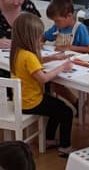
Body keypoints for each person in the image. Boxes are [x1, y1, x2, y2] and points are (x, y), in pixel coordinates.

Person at [10, 12, 74, 157]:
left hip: (22, 100)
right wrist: (62, 67)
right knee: (66, 111)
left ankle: (49, 139)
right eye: (39, 38)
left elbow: (33, 64)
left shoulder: (18, 52)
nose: (42, 41)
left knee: (59, 108)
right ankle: (65, 147)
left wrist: (52, 57)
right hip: (32, 102)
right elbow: (44, 78)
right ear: (30, 38)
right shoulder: (29, 56)